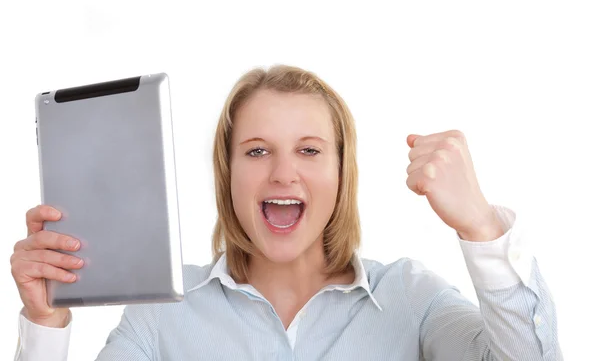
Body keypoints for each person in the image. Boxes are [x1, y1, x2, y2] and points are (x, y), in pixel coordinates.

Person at [11, 65, 561, 360]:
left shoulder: (413, 300)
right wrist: (44, 322)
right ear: (227, 174)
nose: (282, 173)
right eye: (256, 151)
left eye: (309, 149)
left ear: (342, 174)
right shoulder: (162, 313)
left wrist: (482, 229)